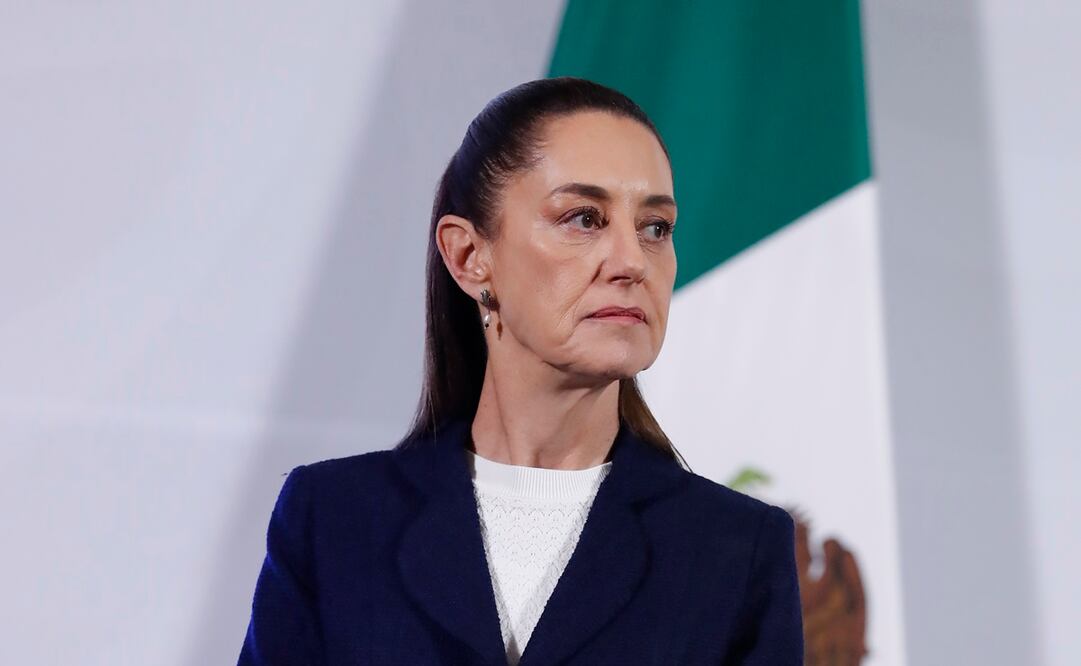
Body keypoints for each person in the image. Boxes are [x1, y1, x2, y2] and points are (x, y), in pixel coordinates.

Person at [238, 77, 804, 665]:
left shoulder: (735, 549)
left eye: (655, 227)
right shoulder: (332, 519)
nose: (633, 261)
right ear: (468, 256)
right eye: (584, 218)